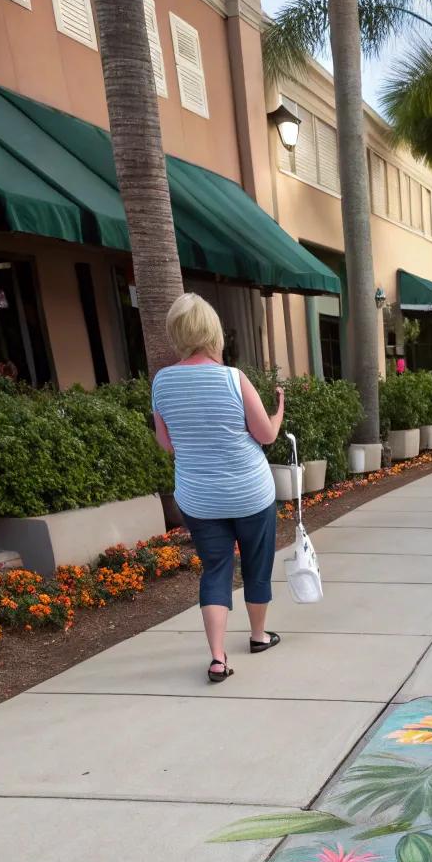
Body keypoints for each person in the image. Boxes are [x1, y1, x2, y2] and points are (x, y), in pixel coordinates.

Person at [152, 292, 285, 684]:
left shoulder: (162, 382)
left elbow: (167, 443)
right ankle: (258, 636)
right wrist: (278, 410)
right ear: (213, 332)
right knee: (257, 563)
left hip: (199, 497)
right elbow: (266, 435)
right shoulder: (232, 379)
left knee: (216, 569)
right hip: (249, 493)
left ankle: (216, 657)